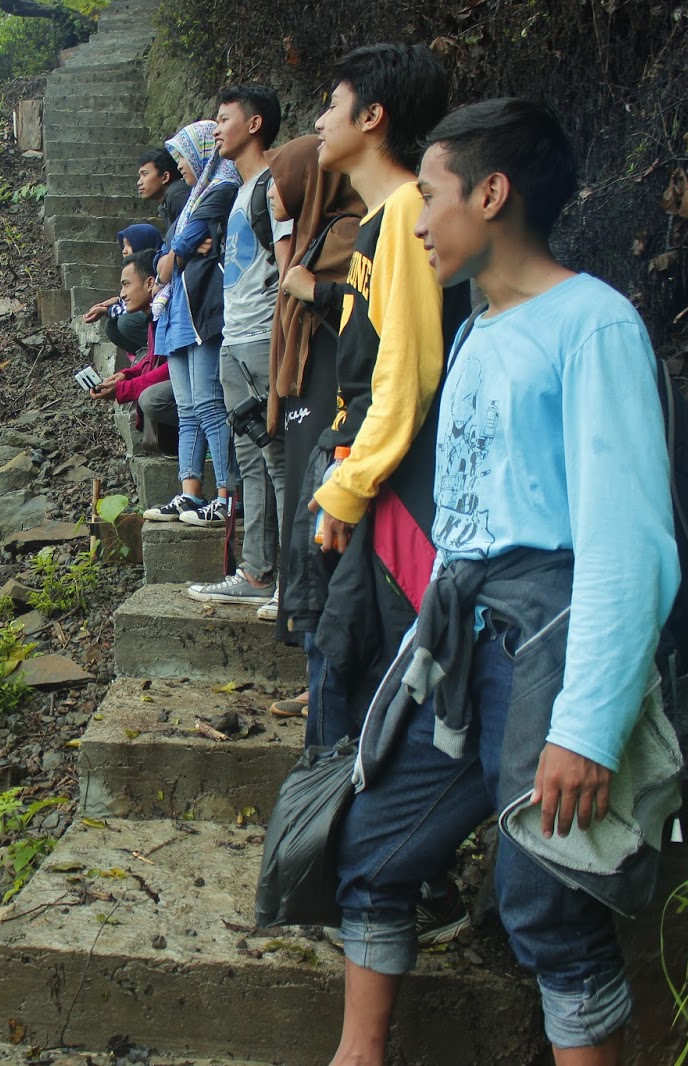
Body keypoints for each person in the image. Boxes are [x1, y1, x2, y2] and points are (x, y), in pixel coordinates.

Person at [325, 97, 680, 1066]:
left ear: (490, 193)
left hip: (546, 652)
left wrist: (587, 727)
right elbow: (468, 516)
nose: (418, 222)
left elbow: (626, 541)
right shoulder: (478, 331)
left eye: (432, 196)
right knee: (372, 842)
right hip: (461, 646)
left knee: (547, 904)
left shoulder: (592, 324)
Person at [281, 43, 468, 748]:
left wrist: (352, 484)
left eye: (332, 105)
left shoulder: (409, 212)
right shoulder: (376, 220)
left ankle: (338, 800)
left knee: (348, 659)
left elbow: (408, 366)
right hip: (351, 456)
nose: (320, 121)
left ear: (373, 117)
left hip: (374, 475)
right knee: (328, 647)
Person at [259, 135, 365, 718]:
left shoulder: (348, 232)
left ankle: (331, 678)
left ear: (308, 183)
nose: (272, 195)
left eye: (279, 181)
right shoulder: (315, 234)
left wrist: (316, 290)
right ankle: (315, 673)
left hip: (332, 396)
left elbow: (369, 307)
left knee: (322, 526)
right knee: (305, 530)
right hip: (309, 394)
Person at [185, 85, 289, 611]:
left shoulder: (274, 186)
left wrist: (283, 340)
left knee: (279, 460)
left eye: (224, 119)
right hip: (234, 338)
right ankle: (255, 573)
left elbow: (288, 269)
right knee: (249, 462)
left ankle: (295, 583)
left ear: (254, 124)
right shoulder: (241, 190)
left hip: (264, 337)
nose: (216, 129)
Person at [142, 119, 242, 522]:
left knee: (209, 404)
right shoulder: (193, 199)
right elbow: (163, 257)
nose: (180, 164)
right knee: (187, 410)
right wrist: (173, 254)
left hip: (201, 311)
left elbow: (172, 258)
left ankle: (228, 495)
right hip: (177, 315)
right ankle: (190, 493)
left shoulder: (221, 189)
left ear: (201, 153)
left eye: (182, 156)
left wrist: (174, 255)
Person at [89, 254, 176, 453]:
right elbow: (153, 359)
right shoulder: (155, 318)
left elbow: (172, 369)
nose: (122, 294)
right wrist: (126, 375)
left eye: (126, 284)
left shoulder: (170, 314)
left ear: (150, 283)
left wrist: (124, 389)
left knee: (150, 399)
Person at [83, 223, 164, 325]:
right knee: (112, 324)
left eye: (129, 245)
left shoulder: (161, 274)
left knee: (125, 322)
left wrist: (108, 310)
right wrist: (118, 301)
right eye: (124, 245)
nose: (124, 251)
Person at [138, 146, 190, 232]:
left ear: (165, 177)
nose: (139, 182)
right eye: (140, 176)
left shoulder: (177, 195)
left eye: (145, 174)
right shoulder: (165, 203)